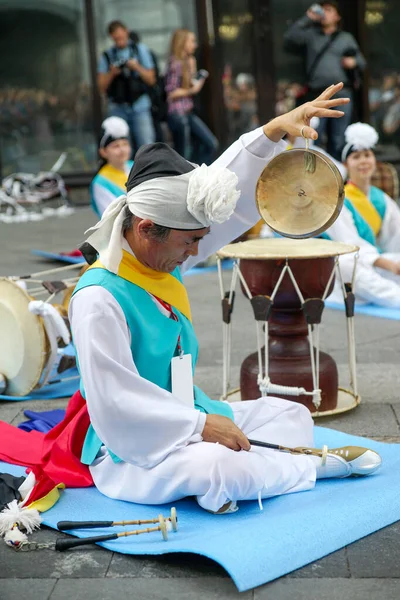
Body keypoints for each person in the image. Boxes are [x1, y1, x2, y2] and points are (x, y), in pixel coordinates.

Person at [47, 83, 380, 516]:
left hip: (191, 410)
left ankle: (263, 468)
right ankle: (305, 469)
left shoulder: (159, 253)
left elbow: (225, 193)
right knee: (217, 469)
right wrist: (201, 427)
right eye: (190, 243)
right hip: (133, 447)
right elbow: (117, 402)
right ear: (146, 227)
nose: (196, 253)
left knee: (291, 414)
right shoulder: (98, 298)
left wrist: (271, 133)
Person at [323, 122, 400, 307]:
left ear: (375, 160)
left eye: (367, 155)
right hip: (350, 266)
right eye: (356, 157)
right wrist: (389, 265)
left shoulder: (381, 199)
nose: (364, 161)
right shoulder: (338, 200)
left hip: (377, 263)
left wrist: (394, 262)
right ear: (346, 164)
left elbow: (395, 238)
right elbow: (349, 245)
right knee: (347, 264)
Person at [284, 1, 366, 161]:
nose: (324, 13)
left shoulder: (345, 38)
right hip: (317, 94)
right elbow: (290, 38)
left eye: (328, 10)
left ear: (337, 16)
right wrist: (308, 18)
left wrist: (353, 62)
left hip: (341, 93)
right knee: (314, 135)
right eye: (322, 10)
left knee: (338, 139)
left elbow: (362, 62)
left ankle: (337, 174)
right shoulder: (310, 35)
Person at [97, 20, 156, 152]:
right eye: (115, 39)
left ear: (126, 32)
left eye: (121, 37)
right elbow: (101, 87)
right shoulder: (107, 55)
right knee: (121, 148)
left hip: (139, 105)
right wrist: (112, 73)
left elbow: (151, 79)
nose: (119, 41)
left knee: (146, 146)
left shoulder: (139, 50)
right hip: (118, 107)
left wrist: (136, 67)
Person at [165, 28, 218, 165]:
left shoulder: (187, 61)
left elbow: (190, 86)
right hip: (178, 114)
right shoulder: (175, 63)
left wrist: (193, 70)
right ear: (183, 42)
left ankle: (198, 172)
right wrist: (192, 90)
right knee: (184, 154)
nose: (195, 45)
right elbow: (171, 92)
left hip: (187, 112)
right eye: (192, 41)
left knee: (210, 143)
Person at [90, 117, 134, 218]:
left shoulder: (137, 166)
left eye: (125, 144)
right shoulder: (100, 182)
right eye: (116, 146)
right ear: (103, 152)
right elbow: (110, 218)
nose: (122, 149)